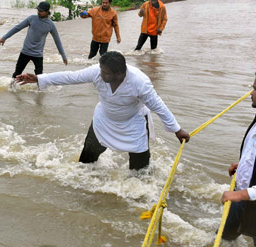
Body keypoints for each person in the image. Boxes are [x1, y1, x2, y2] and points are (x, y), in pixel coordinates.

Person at [15, 52, 190, 171]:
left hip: (133, 122)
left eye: (105, 73)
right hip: (104, 120)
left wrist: (177, 129)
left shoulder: (139, 82)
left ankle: (141, 191)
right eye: (101, 70)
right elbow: (71, 77)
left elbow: (158, 105)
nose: (101, 74)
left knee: (140, 168)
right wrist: (39, 78)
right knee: (87, 160)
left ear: (120, 73)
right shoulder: (97, 73)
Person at [221, 74, 256, 246]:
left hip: (252, 200)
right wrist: (243, 165)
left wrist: (240, 195)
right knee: (222, 240)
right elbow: (254, 149)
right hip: (242, 195)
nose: (251, 93)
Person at [0, 1, 69, 78]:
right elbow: (17, 28)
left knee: (40, 77)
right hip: (25, 52)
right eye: (38, 10)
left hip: (38, 54)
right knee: (17, 74)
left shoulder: (51, 25)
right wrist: (4, 37)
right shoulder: (32, 18)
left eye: (41, 11)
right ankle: (11, 89)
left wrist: (63, 56)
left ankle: (39, 90)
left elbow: (57, 41)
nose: (38, 12)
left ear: (47, 12)